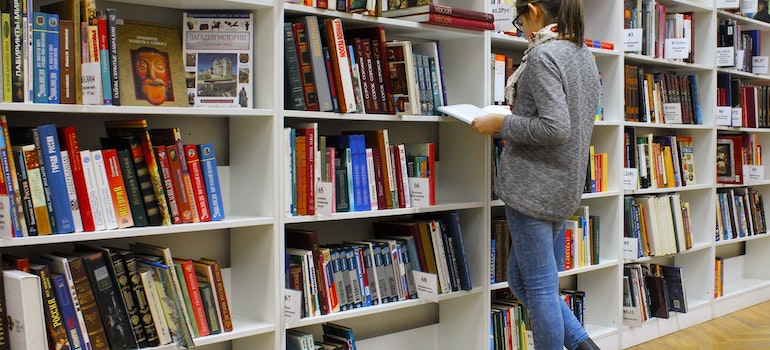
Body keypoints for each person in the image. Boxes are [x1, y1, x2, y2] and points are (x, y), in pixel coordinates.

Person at [471, 0, 601, 349]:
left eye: (519, 20)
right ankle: (584, 345)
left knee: (540, 285)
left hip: (533, 186)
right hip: (563, 184)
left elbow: (555, 128)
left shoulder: (544, 56)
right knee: (519, 277)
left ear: (534, 10)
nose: (521, 28)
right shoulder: (583, 54)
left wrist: (500, 123)